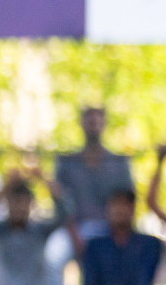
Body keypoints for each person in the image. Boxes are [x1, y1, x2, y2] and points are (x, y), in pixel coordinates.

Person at [77, 189, 162, 285]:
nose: (120, 210)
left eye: (125, 204)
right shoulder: (95, 246)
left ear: (133, 208)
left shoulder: (150, 245)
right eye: (115, 204)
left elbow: (144, 283)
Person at [55, 107, 134, 254]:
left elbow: (128, 200)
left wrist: (118, 232)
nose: (93, 125)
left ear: (104, 124)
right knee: (54, 256)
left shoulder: (118, 162)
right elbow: (60, 202)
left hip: (109, 230)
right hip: (74, 228)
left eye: (97, 121)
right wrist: (74, 234)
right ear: (82, 124)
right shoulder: (67, 162)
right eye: (90, 121)